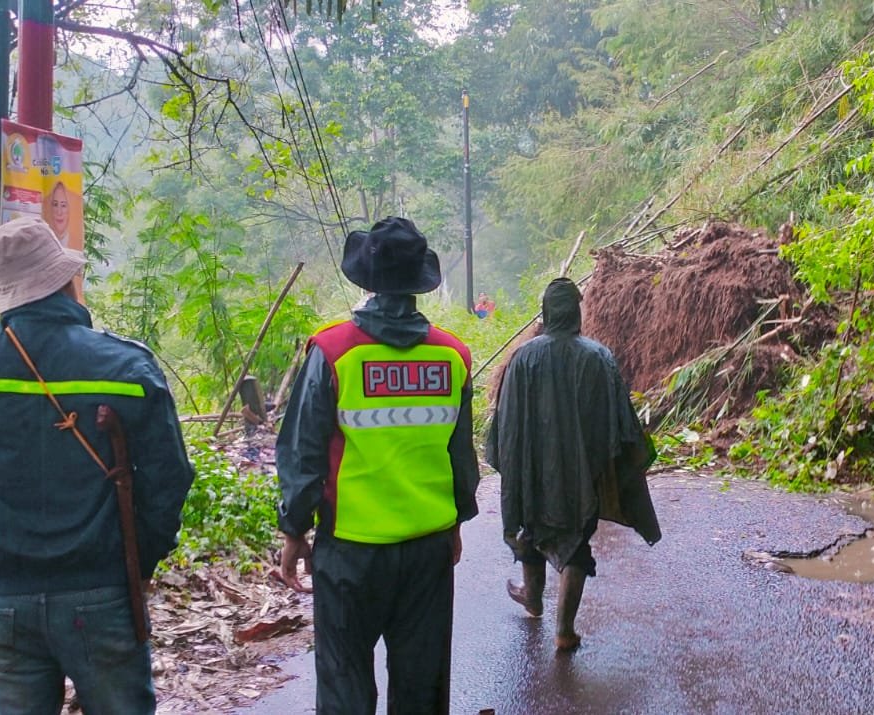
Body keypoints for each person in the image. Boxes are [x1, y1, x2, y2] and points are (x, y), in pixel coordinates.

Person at [0, 217, 194, 715]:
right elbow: (170, 476)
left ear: (0, 295)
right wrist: (142, 558)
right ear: (66, 280)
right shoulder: (126, 365)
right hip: (100, 584)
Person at [276, 216, 480, 714]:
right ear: (418, 282)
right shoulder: (452, 357)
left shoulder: (333, 352)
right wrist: (455, 525)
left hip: (351, 553)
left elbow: (303, 451)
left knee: (344, 687)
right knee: (421, 689)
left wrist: (295, 530)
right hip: (428, 552)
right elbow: (461, 457)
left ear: (366, 279)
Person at [485, 278, 660, 652]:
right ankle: (564, 629)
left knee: (531, 526)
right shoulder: (598, 357)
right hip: (583, 471)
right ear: (576, 312)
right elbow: (620, 421)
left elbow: (507, 423)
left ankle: (533, 598)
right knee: (577, 541)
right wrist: (620, 460)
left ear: (547, 313)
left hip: (532, 469)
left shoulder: (523, 357)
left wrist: (512, 463)